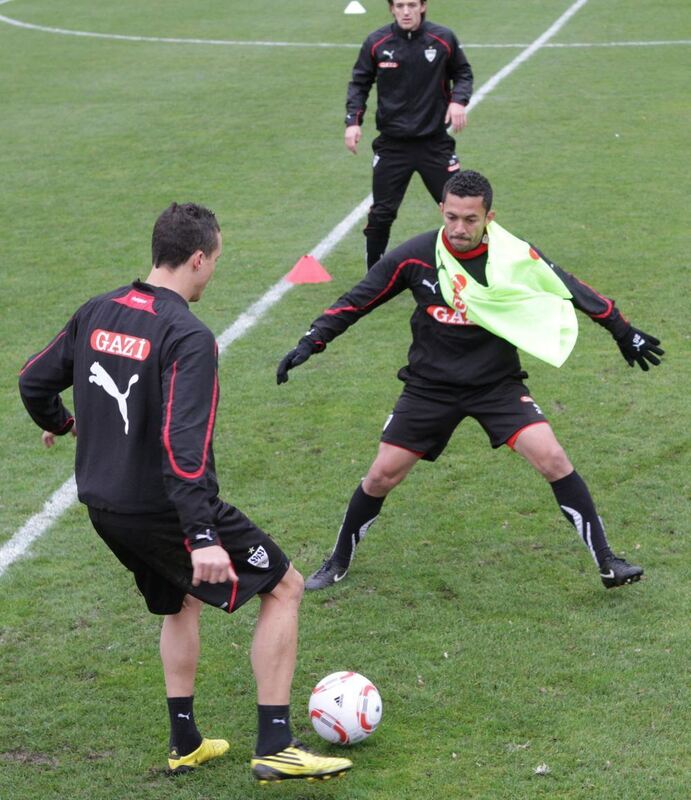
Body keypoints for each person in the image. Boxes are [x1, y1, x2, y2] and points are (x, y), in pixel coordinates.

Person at [18, 203, 352, 784]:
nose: (213, 272)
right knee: (285, 586)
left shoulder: (98, 310)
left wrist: (65, 421)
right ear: (198, 258)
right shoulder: (189, 335)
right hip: (164, 507)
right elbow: (182, 443)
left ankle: (186, 742)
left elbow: (33, 380)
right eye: (215, 261)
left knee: (180, 600)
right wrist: (201, 535)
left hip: (104, 507)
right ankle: (275, 743)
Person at [276, 170, 664, 592]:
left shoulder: (512, 256)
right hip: (429, 388)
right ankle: (337, 561)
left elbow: (568, 286)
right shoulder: (416, 256)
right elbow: (358, 299)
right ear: (442, 210)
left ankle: (608, 562)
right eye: (453, 217)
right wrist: (313, 340)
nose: (459, 228)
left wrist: (623, 330)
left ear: (489, 218)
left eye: (470, 220)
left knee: (553, 459)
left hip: (495, 385)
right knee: (381, 476)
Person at [345, 0, 473, 269]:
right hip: (393, 146)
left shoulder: (443, 39)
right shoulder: (377, 43)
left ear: (423, 7)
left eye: (412, 5)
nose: (406, 11)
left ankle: (471, 268)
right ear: (391, 8)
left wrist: (459, 100)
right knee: (382, 213)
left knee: (461, 208)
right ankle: (374, 271)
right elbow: (359, 82)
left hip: (434, 144)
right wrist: (353, 122)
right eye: (400, 5)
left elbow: (462, 72)